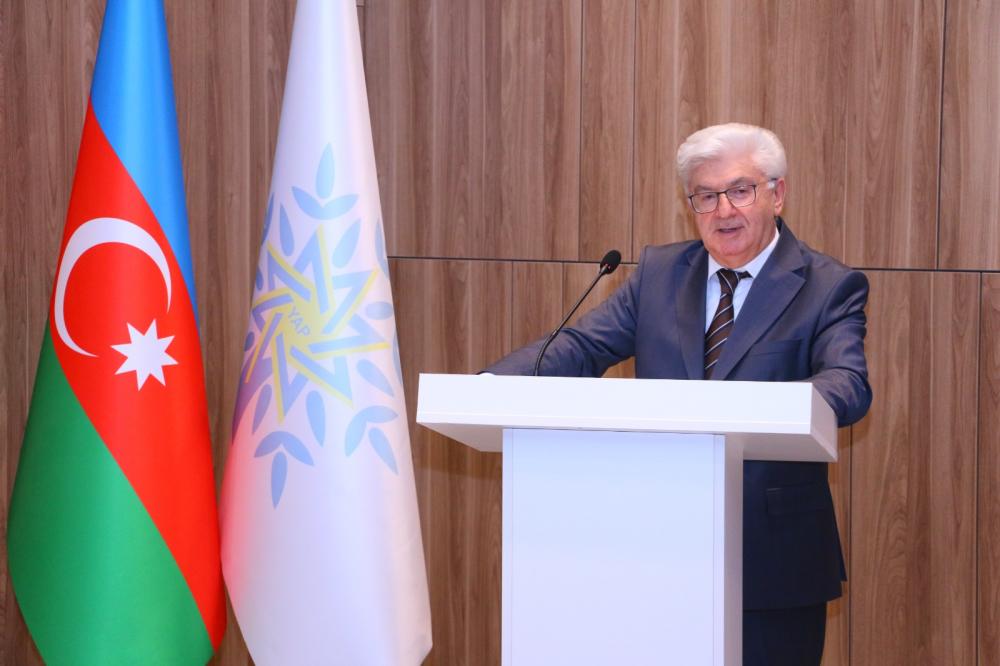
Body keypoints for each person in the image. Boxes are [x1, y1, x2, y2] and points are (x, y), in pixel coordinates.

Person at [485, 122, 872, 665]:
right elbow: (580, 347)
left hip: (772, 561)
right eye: (705, 196)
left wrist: (763, 408)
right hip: (654, 551)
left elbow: (847, 383)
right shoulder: (660, 274)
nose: (723, 210)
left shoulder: (828, 285)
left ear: (777, 194)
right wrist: (489, 387)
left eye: (740, 190)